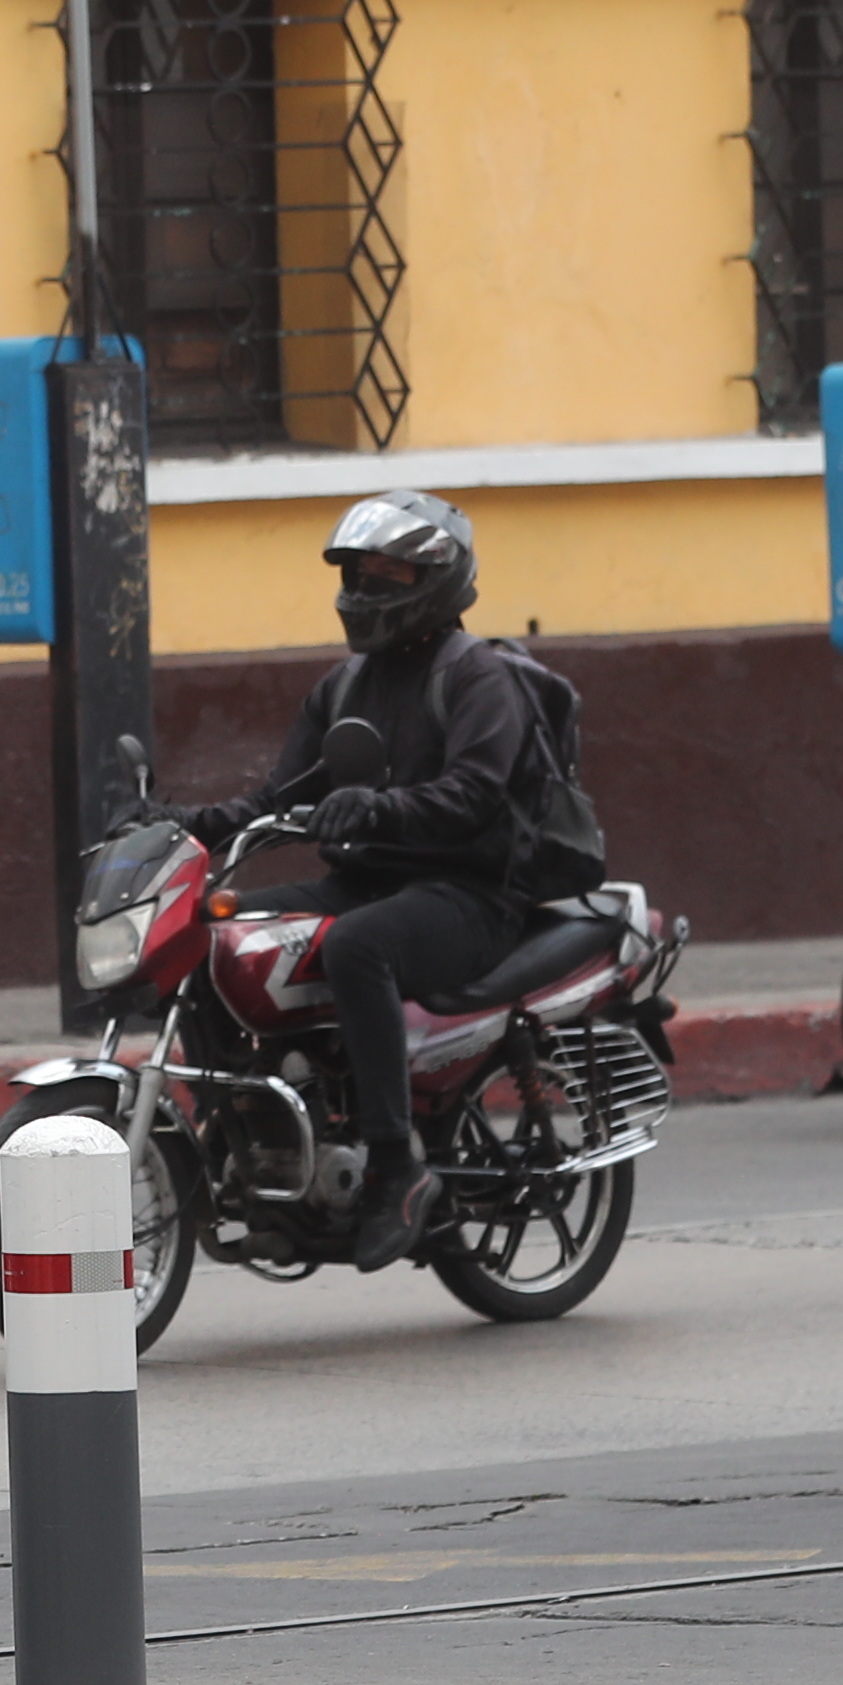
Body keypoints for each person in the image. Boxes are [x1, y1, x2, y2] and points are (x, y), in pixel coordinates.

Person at [195, 489, 538, 1274]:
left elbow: (474, 793)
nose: (366, 589)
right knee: (213, 934)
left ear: (435, 579)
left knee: (357, 948)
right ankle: (249, 1127)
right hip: (367, 880)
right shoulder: (345, 687)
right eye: (358, 572)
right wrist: (185, 822)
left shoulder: (479, 677)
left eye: (388, 573)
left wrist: (378, 807)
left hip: (470, 894)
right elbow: (279, 797)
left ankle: (396, 1167)